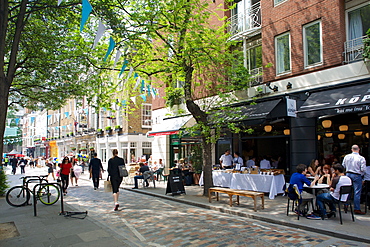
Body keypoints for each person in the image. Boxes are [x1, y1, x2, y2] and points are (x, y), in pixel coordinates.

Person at [342, 144, 367, 215]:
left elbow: (343, 165)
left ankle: (346, 205)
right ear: (359, 149)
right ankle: (357, 208)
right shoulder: (361, 158)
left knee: (347, 190)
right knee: (357, 192)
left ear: (352, 150)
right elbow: (363, 169)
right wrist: (361, 174)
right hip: (356, 175)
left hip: (348, 174)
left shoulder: (347, 156)